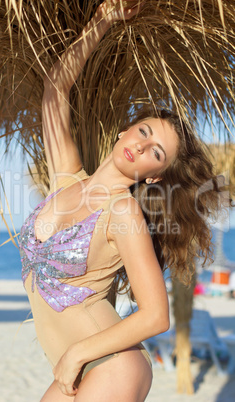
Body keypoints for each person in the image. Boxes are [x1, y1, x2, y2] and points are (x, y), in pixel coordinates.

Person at [18, 1, 228, 400]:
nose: (143, 144)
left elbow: (155, 315)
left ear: (154, 174)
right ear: (123, 132)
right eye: (143, 131)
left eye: (156, 151)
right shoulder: (66, 180)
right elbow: (54, 90)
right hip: (75, 369)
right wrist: (101, 22)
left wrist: (78, 353)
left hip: (109, 366)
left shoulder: (123, 212)